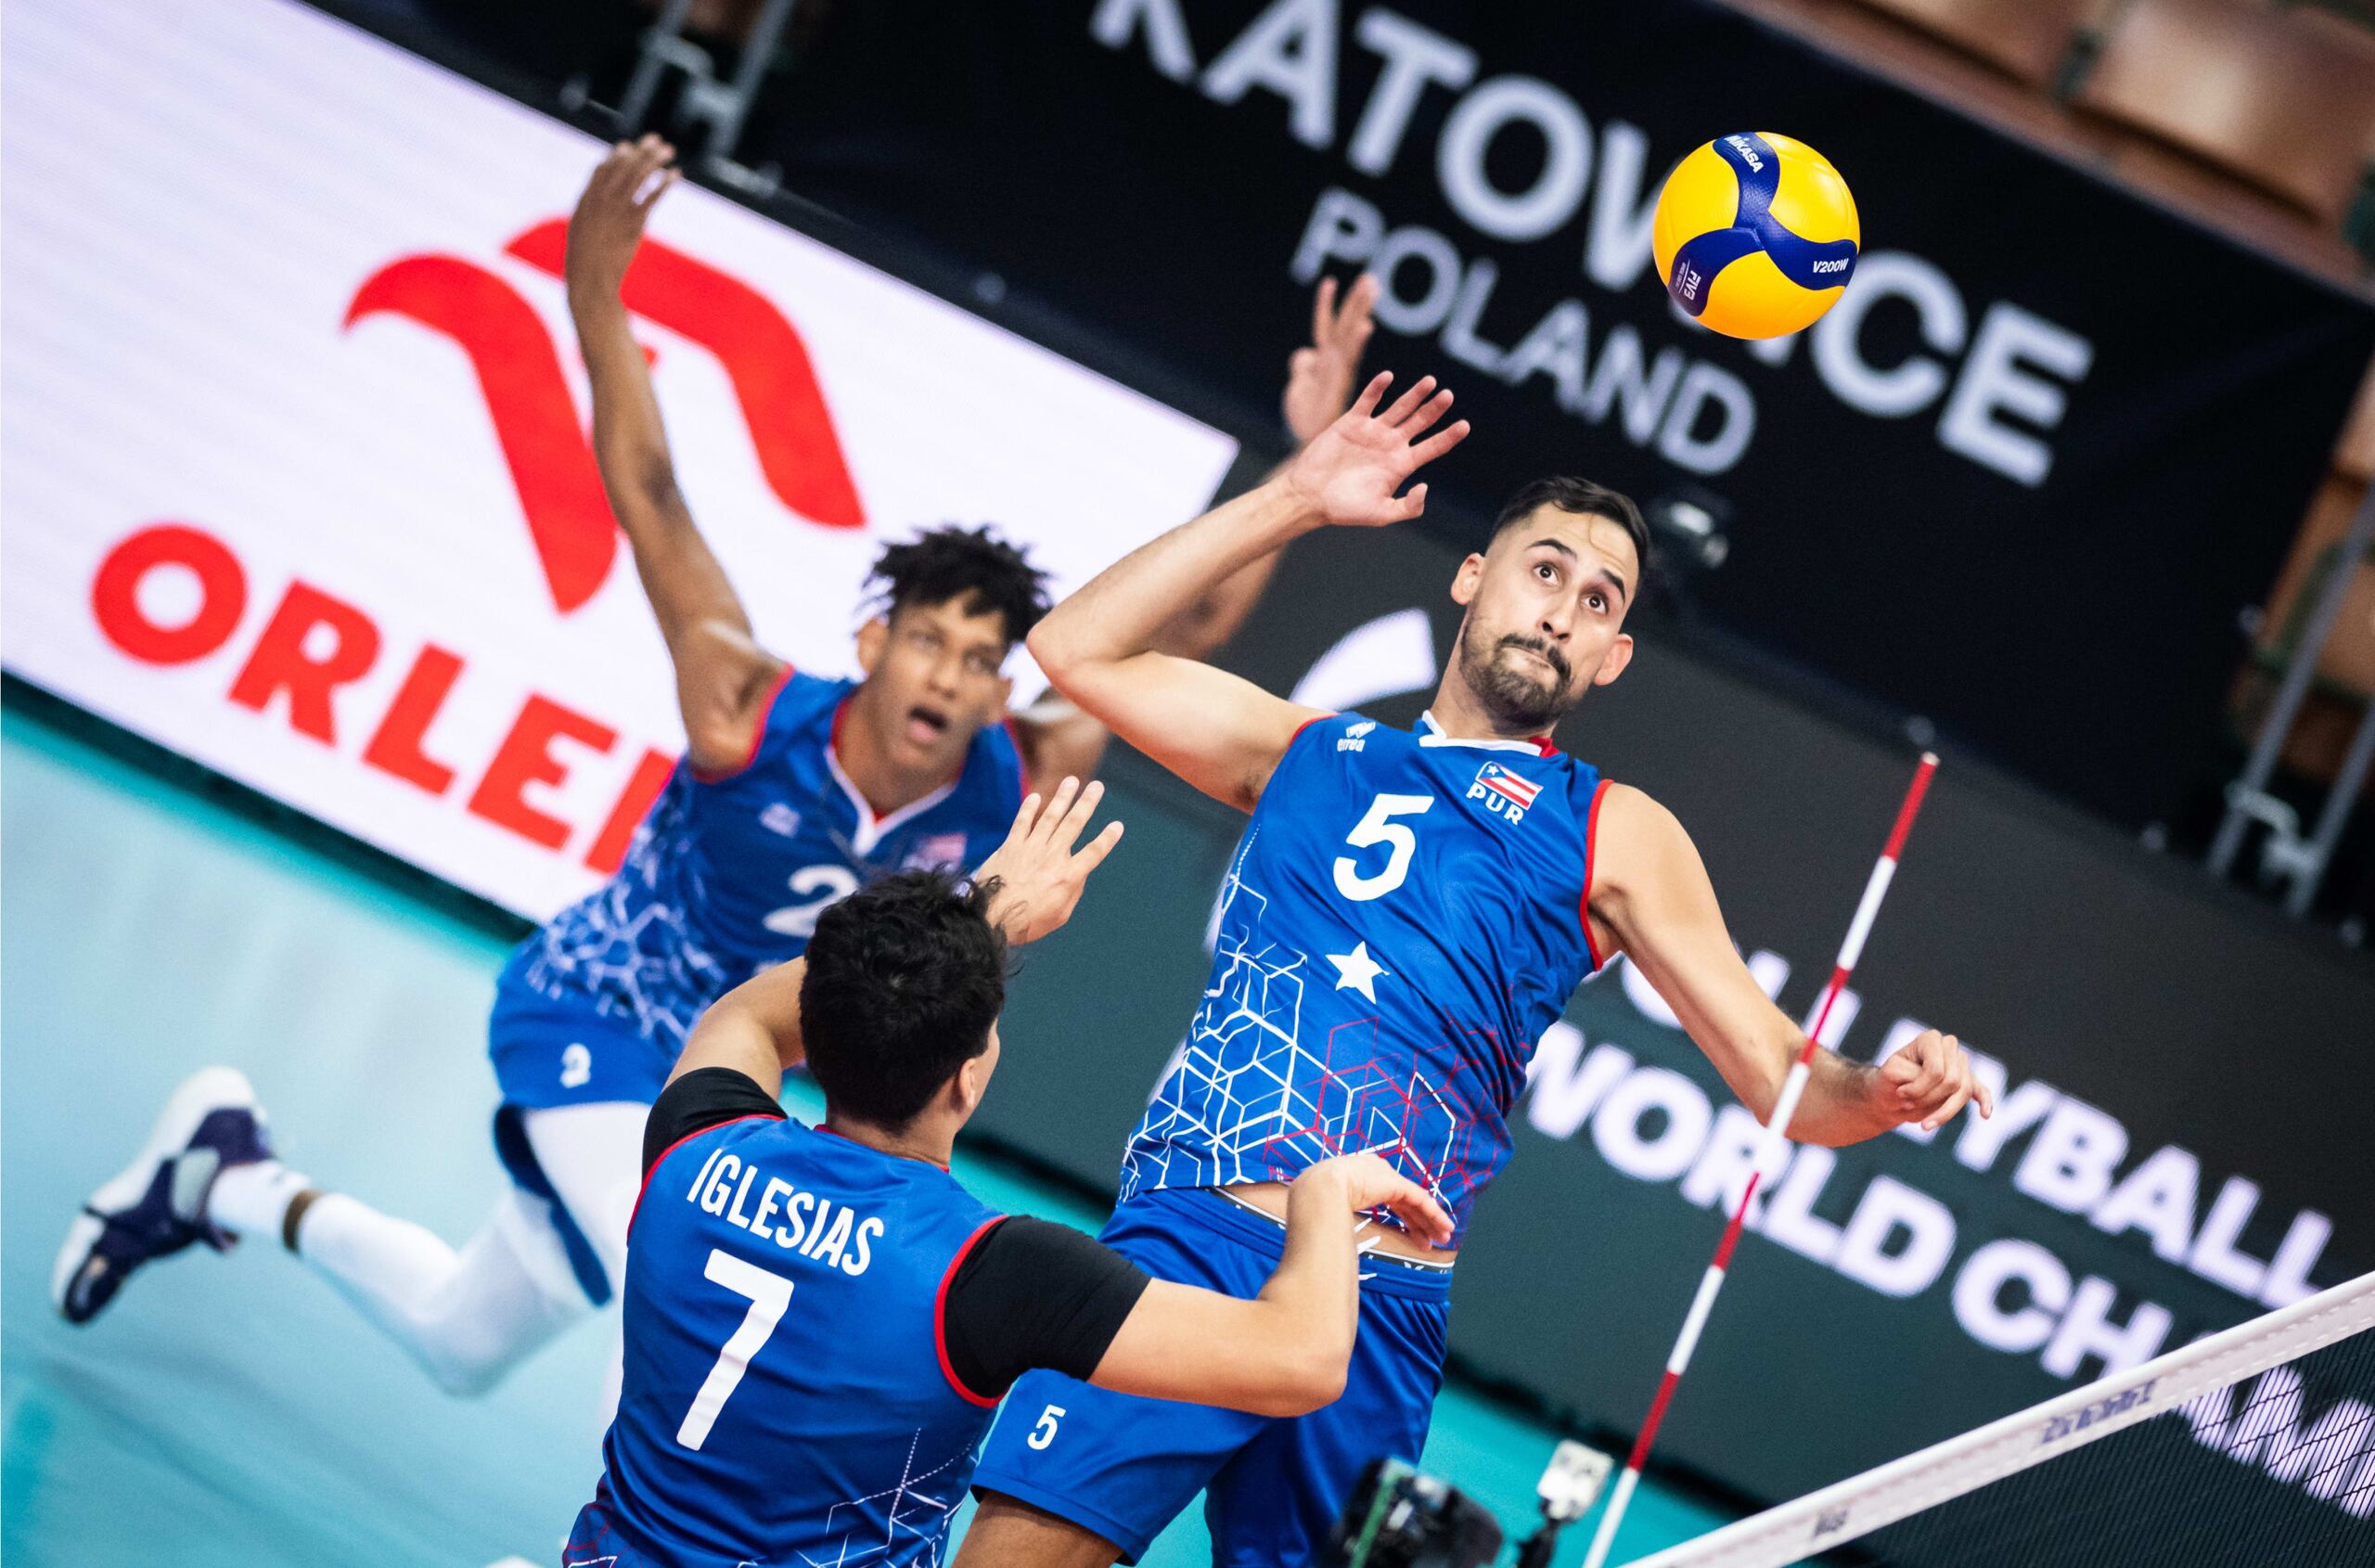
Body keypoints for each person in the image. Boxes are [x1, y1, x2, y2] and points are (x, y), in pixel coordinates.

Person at [47, 137, 1375, 1404]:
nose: (950, 677)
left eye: (980, 659)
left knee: (461, 1335)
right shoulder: (746, 708)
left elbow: (1193, 630)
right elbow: (651, 489)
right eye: (927, 642)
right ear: (876, 642)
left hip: (739, 1080)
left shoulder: (1006, 769)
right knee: (672, 1286)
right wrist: (593, 287)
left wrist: (1298, 470)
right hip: (603, 1016)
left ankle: (221, 1176)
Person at [956, 374, 1997, 1567]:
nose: (1561, 609)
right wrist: (1291, 497)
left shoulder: (1614, 830)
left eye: (1596, 598)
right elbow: (1072, 646)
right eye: (1542, 568)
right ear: (1471, 577)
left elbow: (1784, 1083)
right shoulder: (1307, 750)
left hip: (1374, 1307)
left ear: (1612, 656)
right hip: (1197, 1234)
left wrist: (1882, 1090)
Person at [567, 776, 1453, 1568]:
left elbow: (750, 1016)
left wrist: (976, 913)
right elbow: (1304, 1362)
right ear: (969, 1076)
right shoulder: (988, 1272)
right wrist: (1326, 1195)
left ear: (824, 1035)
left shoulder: (695, 1142)